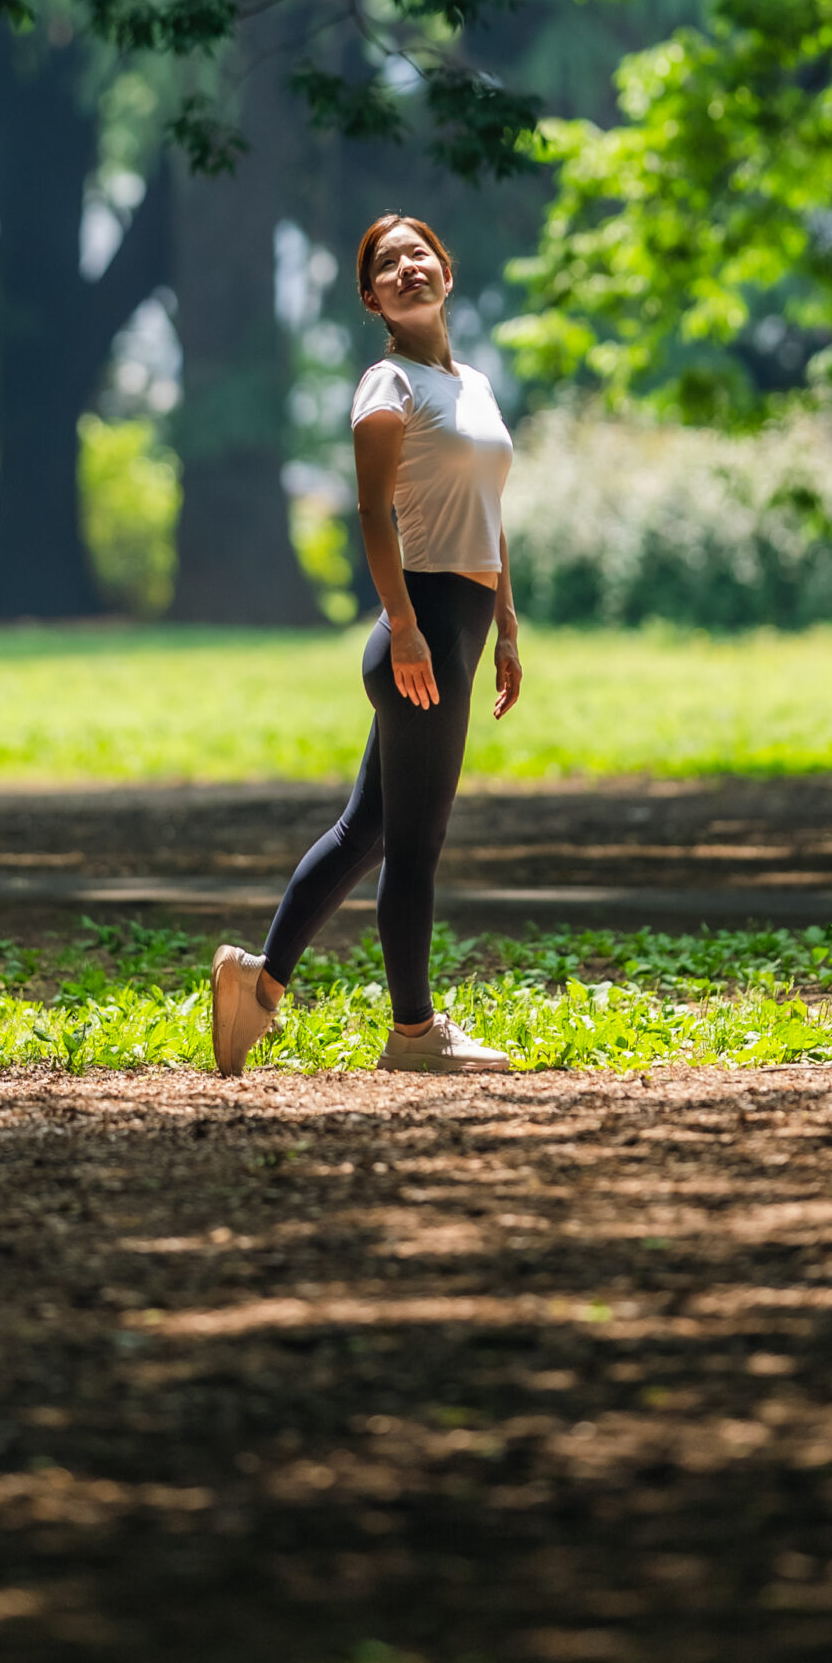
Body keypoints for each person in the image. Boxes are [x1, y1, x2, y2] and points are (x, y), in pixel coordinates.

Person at [211, 213, 523, 1076]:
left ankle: (256, 985)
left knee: (368, 830)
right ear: (371, 297)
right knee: (413, 844)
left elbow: (492, 520)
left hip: (461, 623)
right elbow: (371, 515)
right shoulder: (386, 387)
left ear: (446, 273)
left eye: (418, 255)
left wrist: (505, 627)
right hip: (417, 626)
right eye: (387, 265)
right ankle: (415, 1035)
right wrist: (408, 628)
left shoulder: (476, 386)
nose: (406, 269)